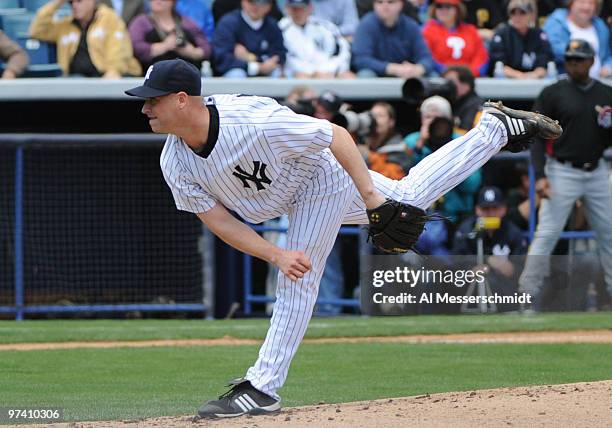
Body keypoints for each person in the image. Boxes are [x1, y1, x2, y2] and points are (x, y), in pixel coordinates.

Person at [125, 58, 561, 418]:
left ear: (183, 100)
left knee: (301, 278)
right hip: (292, 195)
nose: (145, 109)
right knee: (409, 195)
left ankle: (262, 387)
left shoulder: (252, 122)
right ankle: (495, 131)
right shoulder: (175, 162)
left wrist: (371, 198)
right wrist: (274, 252)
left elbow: (335, 135)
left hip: (319, 176)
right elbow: (218, 220)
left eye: (152, 101)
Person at [518, 39, 612, 311]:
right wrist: (540, 176)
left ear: (591, 61)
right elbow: (534, 136)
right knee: (547, 233)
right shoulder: (553, 93)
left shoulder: (606, 94)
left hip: (596, 170)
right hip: (562, 170)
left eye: (578, 59)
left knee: (609, 235)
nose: (573, 64)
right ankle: (527, 294)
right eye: (569, 59)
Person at [404, 95, 481, 224]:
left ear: (448, 120)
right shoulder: (411, 142)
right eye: (428, 117)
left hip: (456, 216)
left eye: (438, 118)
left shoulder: (462, 141)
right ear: (422, 119)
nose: (433, 122)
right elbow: (405, 180)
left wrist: (450, 158)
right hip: (418, 215)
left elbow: (472, 185)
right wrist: (420, 146)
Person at [453, 186, 528, 311]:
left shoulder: (512, 232)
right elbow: (457, 260)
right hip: (469, 288)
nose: (490, 214)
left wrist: (510, 268)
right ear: (477, 210)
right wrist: (481, 265)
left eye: (495, 208)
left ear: (503, 209)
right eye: (485, 209)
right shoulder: (466, 231)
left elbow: (518, 267)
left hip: (503, 288)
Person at [30, 0, 141, 77]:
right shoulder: (65, 25)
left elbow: (118, 49)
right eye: (71, 2)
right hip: (74, 79)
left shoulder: (109, 18)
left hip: (106, 75)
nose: (74, 5)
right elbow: (36, 31)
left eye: (79, 1)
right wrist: (58, 3)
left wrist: (113, 70)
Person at [351, 0, 434, 78]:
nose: (385, 6)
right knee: (365, 75)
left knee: (432, 75)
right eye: (380, 2)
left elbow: (426, 57)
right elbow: (361, 60)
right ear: (374, 4)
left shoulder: (411, 26)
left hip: (407, 77)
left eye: (391, 2)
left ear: (401, 4)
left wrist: (419, 69)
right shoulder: (366, 25)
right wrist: (392, 68)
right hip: (378, 74)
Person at [128, 0, 212, 71]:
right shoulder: (141, 22)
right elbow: (135, 47)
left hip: (185, 72)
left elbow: (206, 48)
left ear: (173, 2)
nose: (158, 1)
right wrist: (165, 46)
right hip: (152, 74)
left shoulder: (186, 22)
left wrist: (192, 52)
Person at [279, 0, 354, 79]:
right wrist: (313, 72)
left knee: (347, 77)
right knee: (302, 77)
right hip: (298, 74)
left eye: (302, 8)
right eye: (295, 9)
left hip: (328, 71)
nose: (298, 12)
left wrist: (328, 70)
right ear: (287, 9)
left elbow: (342, 51)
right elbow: (288, 60)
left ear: (310, 8)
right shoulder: (280, 29)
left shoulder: (325, 26)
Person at [212, 0, 286, 77]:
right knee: (237, 74)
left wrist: (251, 58)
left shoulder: (272, 25)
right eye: (251, 2)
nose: (255, 6)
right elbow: (222, 59)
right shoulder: (228, 23)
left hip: (267, 69)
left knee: (277, 73)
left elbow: (280, 54)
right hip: (237, 70)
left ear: (269, 6)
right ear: (243, 2)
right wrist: (256, 67)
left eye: (261, 3)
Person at [543, 0, 612, 78]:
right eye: (582, 2)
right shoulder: (556, 22)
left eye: (591, 3)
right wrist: (581, 53)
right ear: (571, 3)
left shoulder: (600, 25)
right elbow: (551, 50)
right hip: (565, 81)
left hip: (597, 83)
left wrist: (608, 66)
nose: (586, 7)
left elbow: (608, 54)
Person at [422, 0, 489, 77]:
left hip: (469, 79)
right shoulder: (428, 31)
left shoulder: (470, 31)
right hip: (440, 78)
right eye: (439, 6)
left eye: (448, 6)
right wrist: (447, 73)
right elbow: (427, 57)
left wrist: (469, 74)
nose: (443, 10)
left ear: (457, 9)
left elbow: (481, 57)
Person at [489, 0, 554, 79]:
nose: (517, 17)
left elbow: (545, 64)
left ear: (531, 15)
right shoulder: (502, 34)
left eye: (522, 13)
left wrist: (532, 76)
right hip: (507, 80)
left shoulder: (539, 35)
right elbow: (498, 65)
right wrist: (520, 76)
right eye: (513, 13)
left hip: (535, 80)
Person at [442, 65, 483, 131]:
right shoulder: (450, 102)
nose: (447, 86)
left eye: (450, 82)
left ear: (466, 85)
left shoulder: (475, 105)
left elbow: (465, 132)